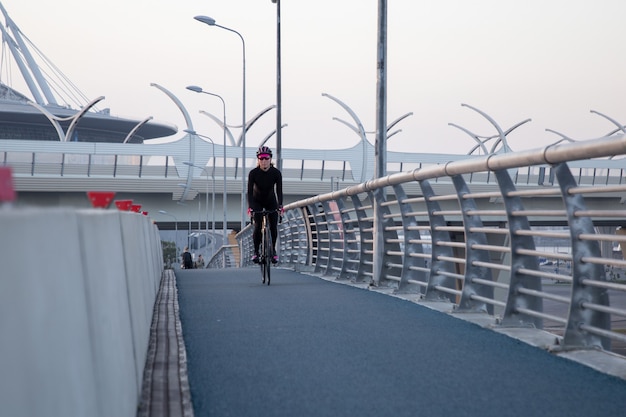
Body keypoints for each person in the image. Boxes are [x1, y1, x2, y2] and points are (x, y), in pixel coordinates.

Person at [247, 146, 283, 264]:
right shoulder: (253, 173)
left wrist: (280, 206)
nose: (263, 161)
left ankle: (273, 251)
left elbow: (279, 191)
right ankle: (256, 252)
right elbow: (249, 192)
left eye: (266, 158)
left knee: (273, 226)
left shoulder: (276, 173)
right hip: (257, 201)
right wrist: (251, 207)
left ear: (270, 159)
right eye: (261, 158)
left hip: (270, 201)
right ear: (258, 160)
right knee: (257, 227)